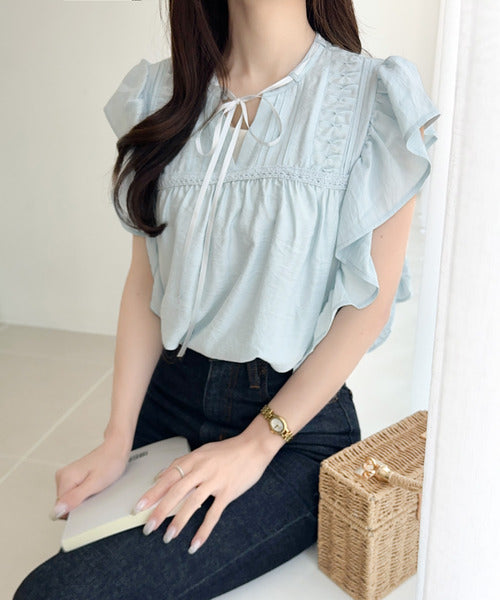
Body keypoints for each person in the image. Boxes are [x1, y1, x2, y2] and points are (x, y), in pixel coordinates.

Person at [13, 0, 440, 598]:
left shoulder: (375, 101)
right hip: (167, 402)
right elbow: (146, 283)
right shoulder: (165, 94)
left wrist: (255, 445)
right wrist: (117, 437)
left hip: (290, 428)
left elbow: (366, 311)